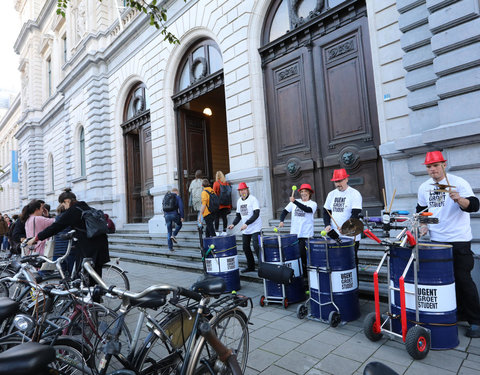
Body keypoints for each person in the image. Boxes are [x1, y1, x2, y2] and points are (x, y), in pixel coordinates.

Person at [417, 151, 480, 338]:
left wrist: (459, 199)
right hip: (437, 241)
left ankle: (476, 320)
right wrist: (423, 225)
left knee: (463, 278)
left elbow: (475, 205)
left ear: (444, 165)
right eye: (429, 166)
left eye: (435, 165)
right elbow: (422, 210)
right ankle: (457, 312)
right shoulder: (424, 187)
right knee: (445, 281)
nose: (432, 170)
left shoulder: (458, 182)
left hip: (459, 239)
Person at [28, 188, 110, 283]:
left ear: (67, 201)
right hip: (101, 244)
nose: (63, 206)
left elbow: (56, 227)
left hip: (88, 248)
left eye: (63, 204)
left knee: (85, 277)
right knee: (95, 275)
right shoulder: (86, 207)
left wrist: (37, 238)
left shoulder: (73, 211)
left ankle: (91, 296)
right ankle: (96, 296)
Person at [323, 168, 363, 265]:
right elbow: (326, 211)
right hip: (335, 234)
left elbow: (355, 215)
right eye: (336, 181)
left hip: (350, 234)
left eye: (340, 181)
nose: (338, 184)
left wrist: (346, 228)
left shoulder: (354, 194)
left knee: (351, 260)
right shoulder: (331, 194)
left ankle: (354, 279)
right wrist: (327, 224)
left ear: (346, 179)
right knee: (337, 260)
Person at [279, 183, 317, 275]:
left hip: (306, 235)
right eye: (302, 191)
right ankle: (298, 275)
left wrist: (295, 202)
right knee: (296, 256)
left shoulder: (312, 204)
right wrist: (281, 221)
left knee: (304, 257)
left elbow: (307, 210)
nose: (303, 193)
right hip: (295, 234)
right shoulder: (294, 202)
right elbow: (284, 211)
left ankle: (305, 277)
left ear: (309, 193)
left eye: (306, 192)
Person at [228, 182, 262, 273]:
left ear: (247, 190)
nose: (243, 192)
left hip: (255, 227)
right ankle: (251, 266)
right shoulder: (239, 201)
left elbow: (256, 214)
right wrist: (233, 224)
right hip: (246, 228)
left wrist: (247, 223)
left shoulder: (253, 199)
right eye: (241, 190)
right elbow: (238, 216)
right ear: (239, 192)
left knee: (256, 246)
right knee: (245, 247)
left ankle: (262, 267)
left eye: (244, 190)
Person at [213, 171, 232, 236]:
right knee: (224, 218)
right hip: (226, 204)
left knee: (216, 218)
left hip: (219, 204)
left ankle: (217, 231)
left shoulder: (216, 183)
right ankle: (224, 231)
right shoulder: (226, 183)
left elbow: (214, 194)